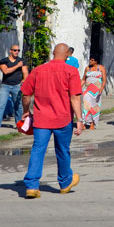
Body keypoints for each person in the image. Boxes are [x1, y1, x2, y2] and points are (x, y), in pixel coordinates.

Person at [19, 43, 82, 198]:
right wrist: (80, 119)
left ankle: (32, 186)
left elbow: (26, 95)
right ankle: (65, 182)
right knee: (62, 151)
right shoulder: (71, 71)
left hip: (41, 120)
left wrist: (26, 112)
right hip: (63, 119)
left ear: (53, 53)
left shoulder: (38, 70)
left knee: (37, 150)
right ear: (67, 54)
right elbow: (74, 97)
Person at [0, 43, 27, 131]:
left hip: (17, 86)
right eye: (15, 50)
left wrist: (24, 79)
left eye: (18, 50)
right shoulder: (4, 61)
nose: (17, 52)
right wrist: (17, 66)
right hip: (5, 86)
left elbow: (25, 72)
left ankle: (19, 125)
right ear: (10, 51)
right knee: (1, 105)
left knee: (18, 106)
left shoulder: (22, 61)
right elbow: (6, 71)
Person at [80, 56, 106, 130]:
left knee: (94, 106)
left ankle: (92, 123)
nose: (90, 61)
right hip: (87, 90)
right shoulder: (88, 68)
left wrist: (101, 88)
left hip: (96, 91)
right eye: (90, 60)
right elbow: (83, 79)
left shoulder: (101, 68)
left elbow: (104, 80)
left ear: (96, 61)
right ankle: (84, 123)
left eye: (92, 60)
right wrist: (78, 88)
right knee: (86, 106)